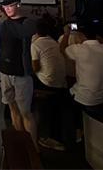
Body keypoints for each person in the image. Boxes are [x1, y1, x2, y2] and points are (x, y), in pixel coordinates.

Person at [59, 23, 103, 146]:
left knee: (65, 101)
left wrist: (66, 34)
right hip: (102, 97)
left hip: (85, 98)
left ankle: (74, 135)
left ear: (82, 35)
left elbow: (62, 49)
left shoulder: (79, 49)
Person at [0, 0, 38, 148]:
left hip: (22, 73)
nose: (7, 9)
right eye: (5, 6)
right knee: (12, 107)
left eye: (10, 5)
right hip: (5, 71)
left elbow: (21, 33)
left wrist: (1, 20)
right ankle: (21, 142)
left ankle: (33, 147)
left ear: (19, 5)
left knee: (26, 112)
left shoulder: (28, 23)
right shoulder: (4, 24)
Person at [31, 18, 67, 151]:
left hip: (47, 83)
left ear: (36, 32)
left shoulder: (35, 44)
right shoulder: (54, 42)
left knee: (28, 81)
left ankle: (40, 133)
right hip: (61, 82)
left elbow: (35, 68)